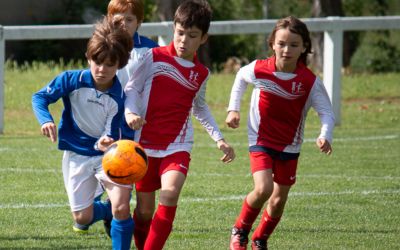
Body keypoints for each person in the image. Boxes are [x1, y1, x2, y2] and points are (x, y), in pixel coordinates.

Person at [124, 1, 235, 249]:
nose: (184, 40)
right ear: (174, 29)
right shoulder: (153, 57)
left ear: (203, 38)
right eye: (180, 33)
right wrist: (131, 112)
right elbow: (132, 87)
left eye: (192, 35)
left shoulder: (201, 73)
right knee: (143, 211)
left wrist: (219, 138)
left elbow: (200, 106)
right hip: (145, 144)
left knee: (170, 193)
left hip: (177, 145)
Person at [226, 16, 335, 250]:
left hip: (290, 145)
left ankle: (260, 239)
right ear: (272, 44)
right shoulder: (259, 69)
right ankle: (240, 231)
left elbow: (327, 112)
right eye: (282, 43)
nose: (287, 50)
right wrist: (233, 109)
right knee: (263, 188)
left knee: (278, 200)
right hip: (261, 139)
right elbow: (240, 79)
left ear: (304, 47)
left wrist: (325, 134)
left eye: (294, 45)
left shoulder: (309, 81)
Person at [32, 17, 135, 250]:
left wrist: (109, 141)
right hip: (77, 154)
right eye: (97, 62)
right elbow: (40, 97)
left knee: (121, 206)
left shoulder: (119, 97)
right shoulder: (72, 80)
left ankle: (118, 212)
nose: (102, 69)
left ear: (119, 64)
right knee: (82, 218)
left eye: (110, 64)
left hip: (108, 156)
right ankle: (107, 211)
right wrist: (45, 120)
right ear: (88, 58)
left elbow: (113, 133)